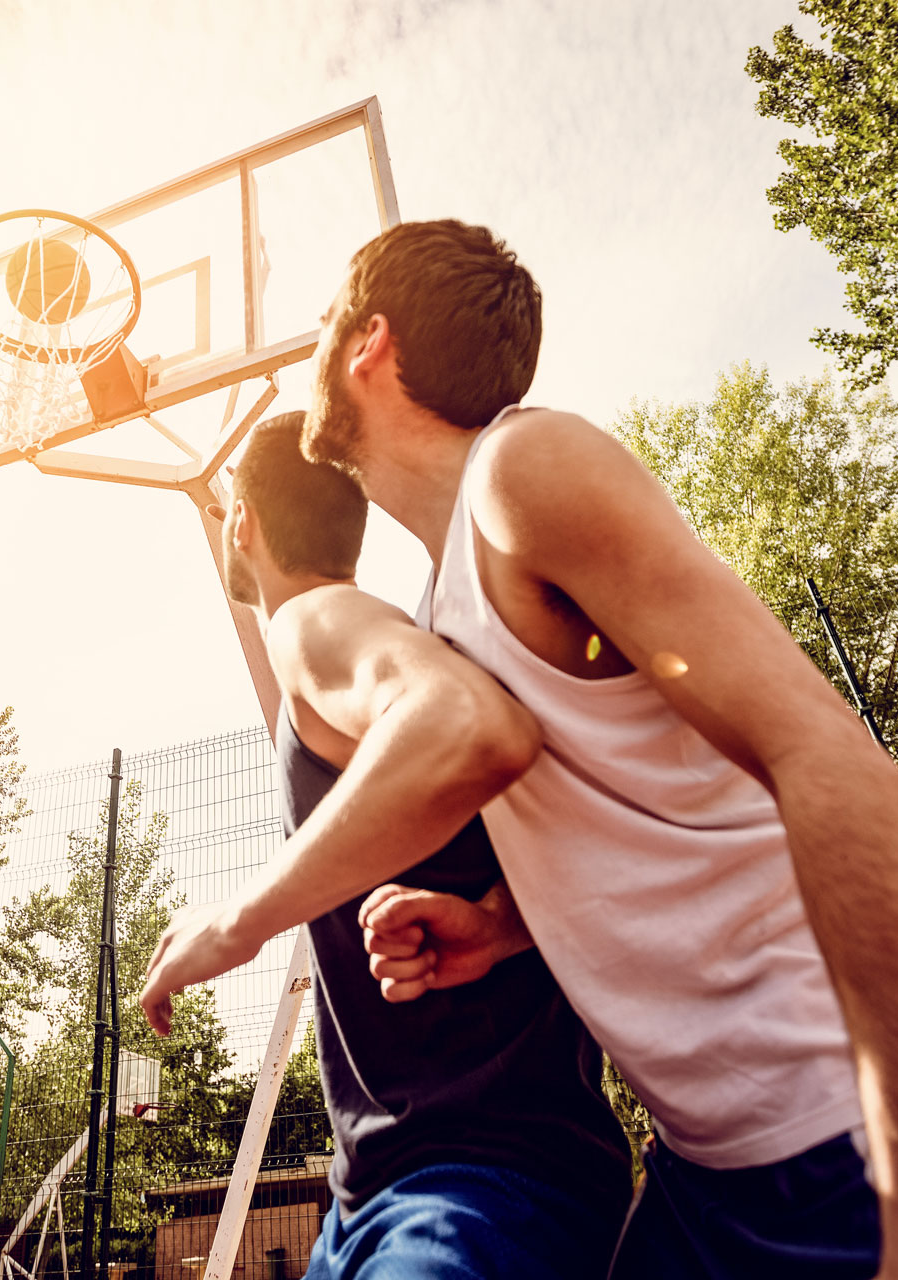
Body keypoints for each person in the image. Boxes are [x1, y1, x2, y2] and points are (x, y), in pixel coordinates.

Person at [142, 220, 898, 1279]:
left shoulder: (522, 470)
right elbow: (650, 799)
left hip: (889, 1123)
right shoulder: (445, 603)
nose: (304, 347)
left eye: (319, 324)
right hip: (711, 1173)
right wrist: (504, 924)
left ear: (369, 343)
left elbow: (827, 759)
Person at [158, 412, 631, 1278]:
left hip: (476, 1185)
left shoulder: (318, 622)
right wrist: (206, 499)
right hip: (391, 1186)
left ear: (244, 522)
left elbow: (464, 721)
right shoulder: (332, 663)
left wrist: (239, 917)